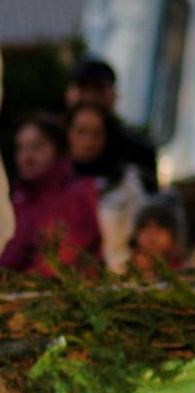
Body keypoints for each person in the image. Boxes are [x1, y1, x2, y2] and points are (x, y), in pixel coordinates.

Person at [0, 113, 101, 276]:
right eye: (21, 148)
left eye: (37, 147)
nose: (26, 158)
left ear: (58, 150)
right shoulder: (21, 198)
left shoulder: (75, 197)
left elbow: (54, 266)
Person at [65, 100, 145, 273]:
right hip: (62, 278)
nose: (89, 141)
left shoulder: (125, 183)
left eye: (97, 133)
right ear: (68, 134)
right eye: (81, 131)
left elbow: (141, 236)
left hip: (115, 277)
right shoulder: (55, 182)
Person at [65, 56, 158, 193]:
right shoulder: (49, 141)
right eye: (83, 88)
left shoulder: (138, 151)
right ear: (68, 93)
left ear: (113, 95)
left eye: (99, 89)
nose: (90, 97)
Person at [129, 195, 188, 277]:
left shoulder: (185, 273)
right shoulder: (125, 270)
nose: (151, 237)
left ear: (173, 236)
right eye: (145, 230)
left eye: (159, 229)